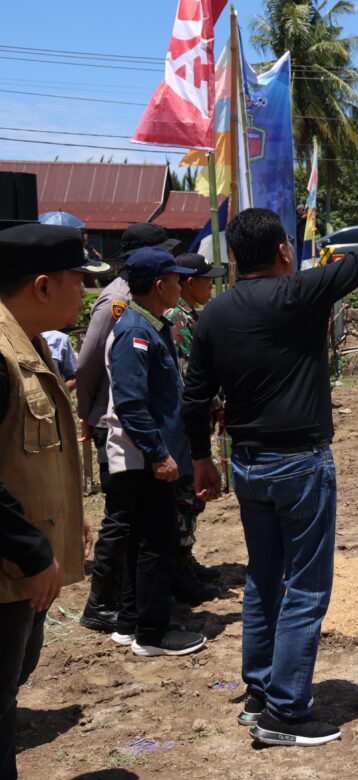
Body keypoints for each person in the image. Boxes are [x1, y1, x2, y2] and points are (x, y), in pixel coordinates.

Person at [182, 162, 358, 746]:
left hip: (244, 463)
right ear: (281, 250)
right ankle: (285, 713)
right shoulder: (298, 295)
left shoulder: (212, 315)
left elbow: (194, 397)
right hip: (300, 464)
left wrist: (202, 460)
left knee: (262, 581)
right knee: (304, 588)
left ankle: (258, 691)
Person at [0, 223, 105, 779]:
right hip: (11, 568)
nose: (85, 294)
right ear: (43, 286)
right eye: (78, 282)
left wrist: (71, 520)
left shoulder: (30, 343)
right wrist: (32, 551)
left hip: (22, 567)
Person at [77, 222, 178, 634]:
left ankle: (127, 612)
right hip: (124, 430)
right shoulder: (121, 307)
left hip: (136, 430)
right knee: (128, 523)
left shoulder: (149, 316)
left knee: (137, 527)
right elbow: (88, 364)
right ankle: (105, 604)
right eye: (173, 276)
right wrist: (88, 413)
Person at [103, 247, 204, 657]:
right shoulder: (135, 332)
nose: (182, 286)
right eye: (177, 280)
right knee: (157, 544)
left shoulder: (148, 325)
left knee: (142, 541)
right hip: (146, 461)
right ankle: (152, 633)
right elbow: (130, 403)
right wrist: (159, 454)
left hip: (149, 456)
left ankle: (130, 623)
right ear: (160, 285)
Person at [166, 253, 227, 603]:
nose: (211, 286)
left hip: (195, 419)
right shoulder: (179, 319)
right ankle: (181, 572)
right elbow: (191, 377)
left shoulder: (190, 317)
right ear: (190, 283)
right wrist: (216, 405)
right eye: (206, 280)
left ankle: (186, 562)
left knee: (191, 499)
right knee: (185, 497)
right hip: (187, 424)